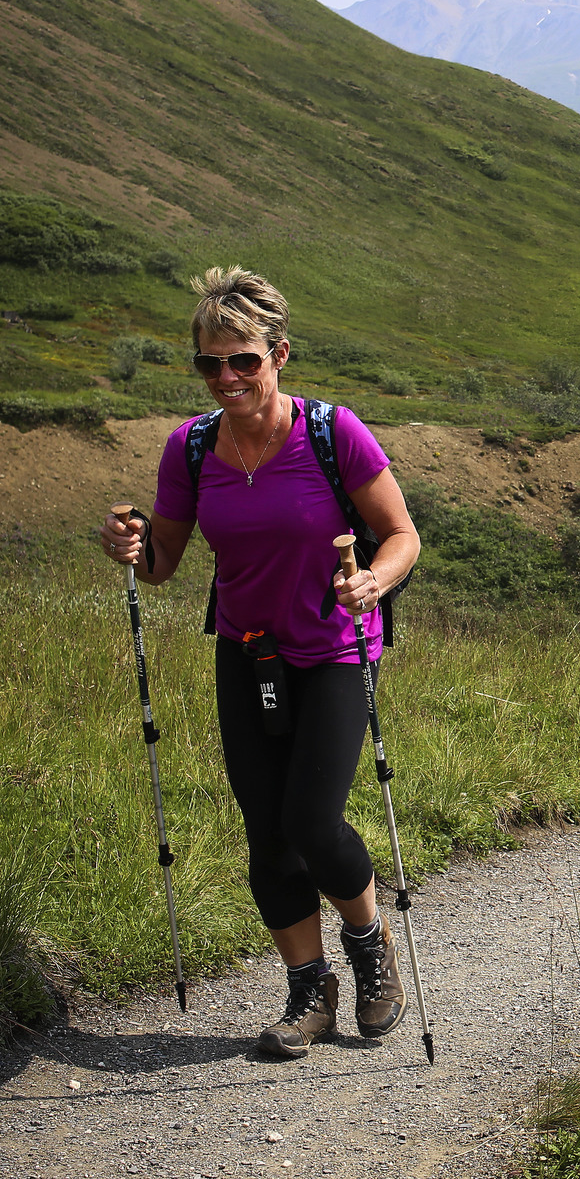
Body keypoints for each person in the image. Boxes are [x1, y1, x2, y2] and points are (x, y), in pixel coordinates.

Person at [97, 266, 420, 1060]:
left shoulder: (331, 432)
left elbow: (402, 534)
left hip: (337, 647)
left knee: (312, 822)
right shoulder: (193, 446)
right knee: (266, 837)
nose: (226, 378)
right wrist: (134, 550)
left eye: (242, 359)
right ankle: (309, 992)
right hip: (247, 651)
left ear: (279, 354)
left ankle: (369, 946)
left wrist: (373, 580)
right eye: (209, 363)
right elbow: (165, 560)